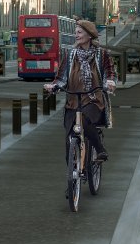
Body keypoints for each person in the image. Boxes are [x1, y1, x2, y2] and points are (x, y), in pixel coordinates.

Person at [44, 20, 114, 163]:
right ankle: (72, 176)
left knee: (83, 120)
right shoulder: (71, 54)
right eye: (75, 32)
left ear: (89, 35)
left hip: (94, 100)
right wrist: (54, 86)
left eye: (79, 32)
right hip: (73, 100)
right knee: (69, 135)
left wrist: (109, 82)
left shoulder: (101, 54)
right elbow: (61, 77)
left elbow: (109, 72)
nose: (76, 35)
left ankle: (100, 150)